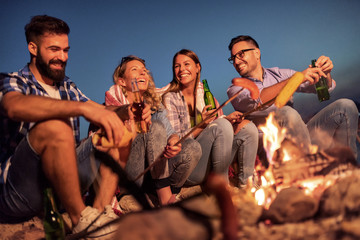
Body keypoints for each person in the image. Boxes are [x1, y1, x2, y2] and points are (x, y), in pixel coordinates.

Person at [0, 15, 136, 238]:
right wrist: (80, 109)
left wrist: (124, 111)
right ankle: (80, 220)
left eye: (66, 50)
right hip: (21, 192)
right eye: (54, 49)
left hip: (62, 185)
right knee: (56, 126)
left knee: (119, 130)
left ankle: (101, 214)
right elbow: (13, 106)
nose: (62, 57)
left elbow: (98, 110)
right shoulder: (13, 81)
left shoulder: (67, 87)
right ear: (33, 48)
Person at [227, 35, 359, 165]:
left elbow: (325, 88)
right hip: (274, 148)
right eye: (233, 58)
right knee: (286, 112)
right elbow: (258, 100)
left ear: (256, 53)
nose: (236, 62)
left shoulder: (280, 74)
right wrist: (296, 78)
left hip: (302, 137)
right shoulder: (235, 89)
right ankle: (307, 171)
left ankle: (348, 169)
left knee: (345, 106)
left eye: (241, 54)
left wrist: (325, 72)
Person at [104, 55, 201, 205]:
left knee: (192, 147)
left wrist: (174, 142)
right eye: (135, 69)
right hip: (131, 172)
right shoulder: (113, 105)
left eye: (144, 70)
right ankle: (165, 199)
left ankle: (166, 193)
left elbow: (170, 133)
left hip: (154, 175)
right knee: (154, 126)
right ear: (122, 81)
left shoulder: (154, 104)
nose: (143, 73)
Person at [162, 49, 259, 186]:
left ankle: (248, 186)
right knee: (222, 125)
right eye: (177, 66)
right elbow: (176, 141)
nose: (181, 69)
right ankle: (222, 189)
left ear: (198, 67)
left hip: (211, 160)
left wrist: (228, 119)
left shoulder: (205, 95)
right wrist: (202, 125)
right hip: (189, 167)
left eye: (186, 64)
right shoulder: (171, 98)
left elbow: (218, 128)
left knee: (248, 128)